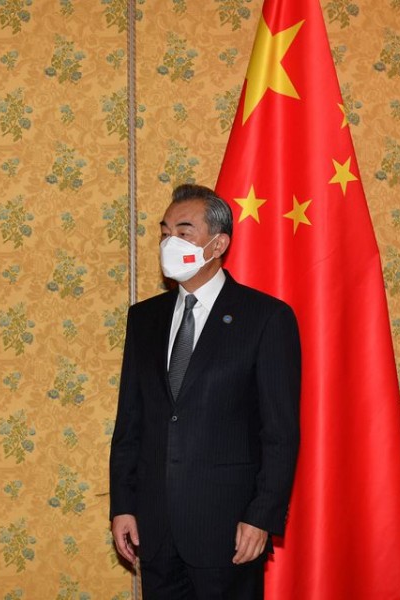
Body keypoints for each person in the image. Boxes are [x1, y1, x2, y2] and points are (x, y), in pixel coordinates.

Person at [109, 184, 301, 599]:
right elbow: (130, 421)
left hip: (229, 530)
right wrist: (123, 505)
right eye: (164, 232)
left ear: (218, 243)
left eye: (183, 231)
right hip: (157, 530)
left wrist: (262, 516)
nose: (168, 243)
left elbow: (280, 432)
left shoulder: (266, 318)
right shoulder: (144, 319)